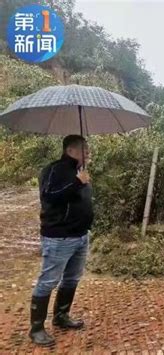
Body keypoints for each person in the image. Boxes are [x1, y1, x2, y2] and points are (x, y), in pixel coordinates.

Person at [29, 135, 93, 346]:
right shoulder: (54, 170)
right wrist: (77, 182)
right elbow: (49, 196)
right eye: (85, 150)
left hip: (80, 235)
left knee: (72, 279)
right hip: (59, 237)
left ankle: (61, 316)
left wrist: (80, 181)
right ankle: (37, 328)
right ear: (71, 151)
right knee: (48, 281)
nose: (88, 154)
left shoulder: (78, 171)